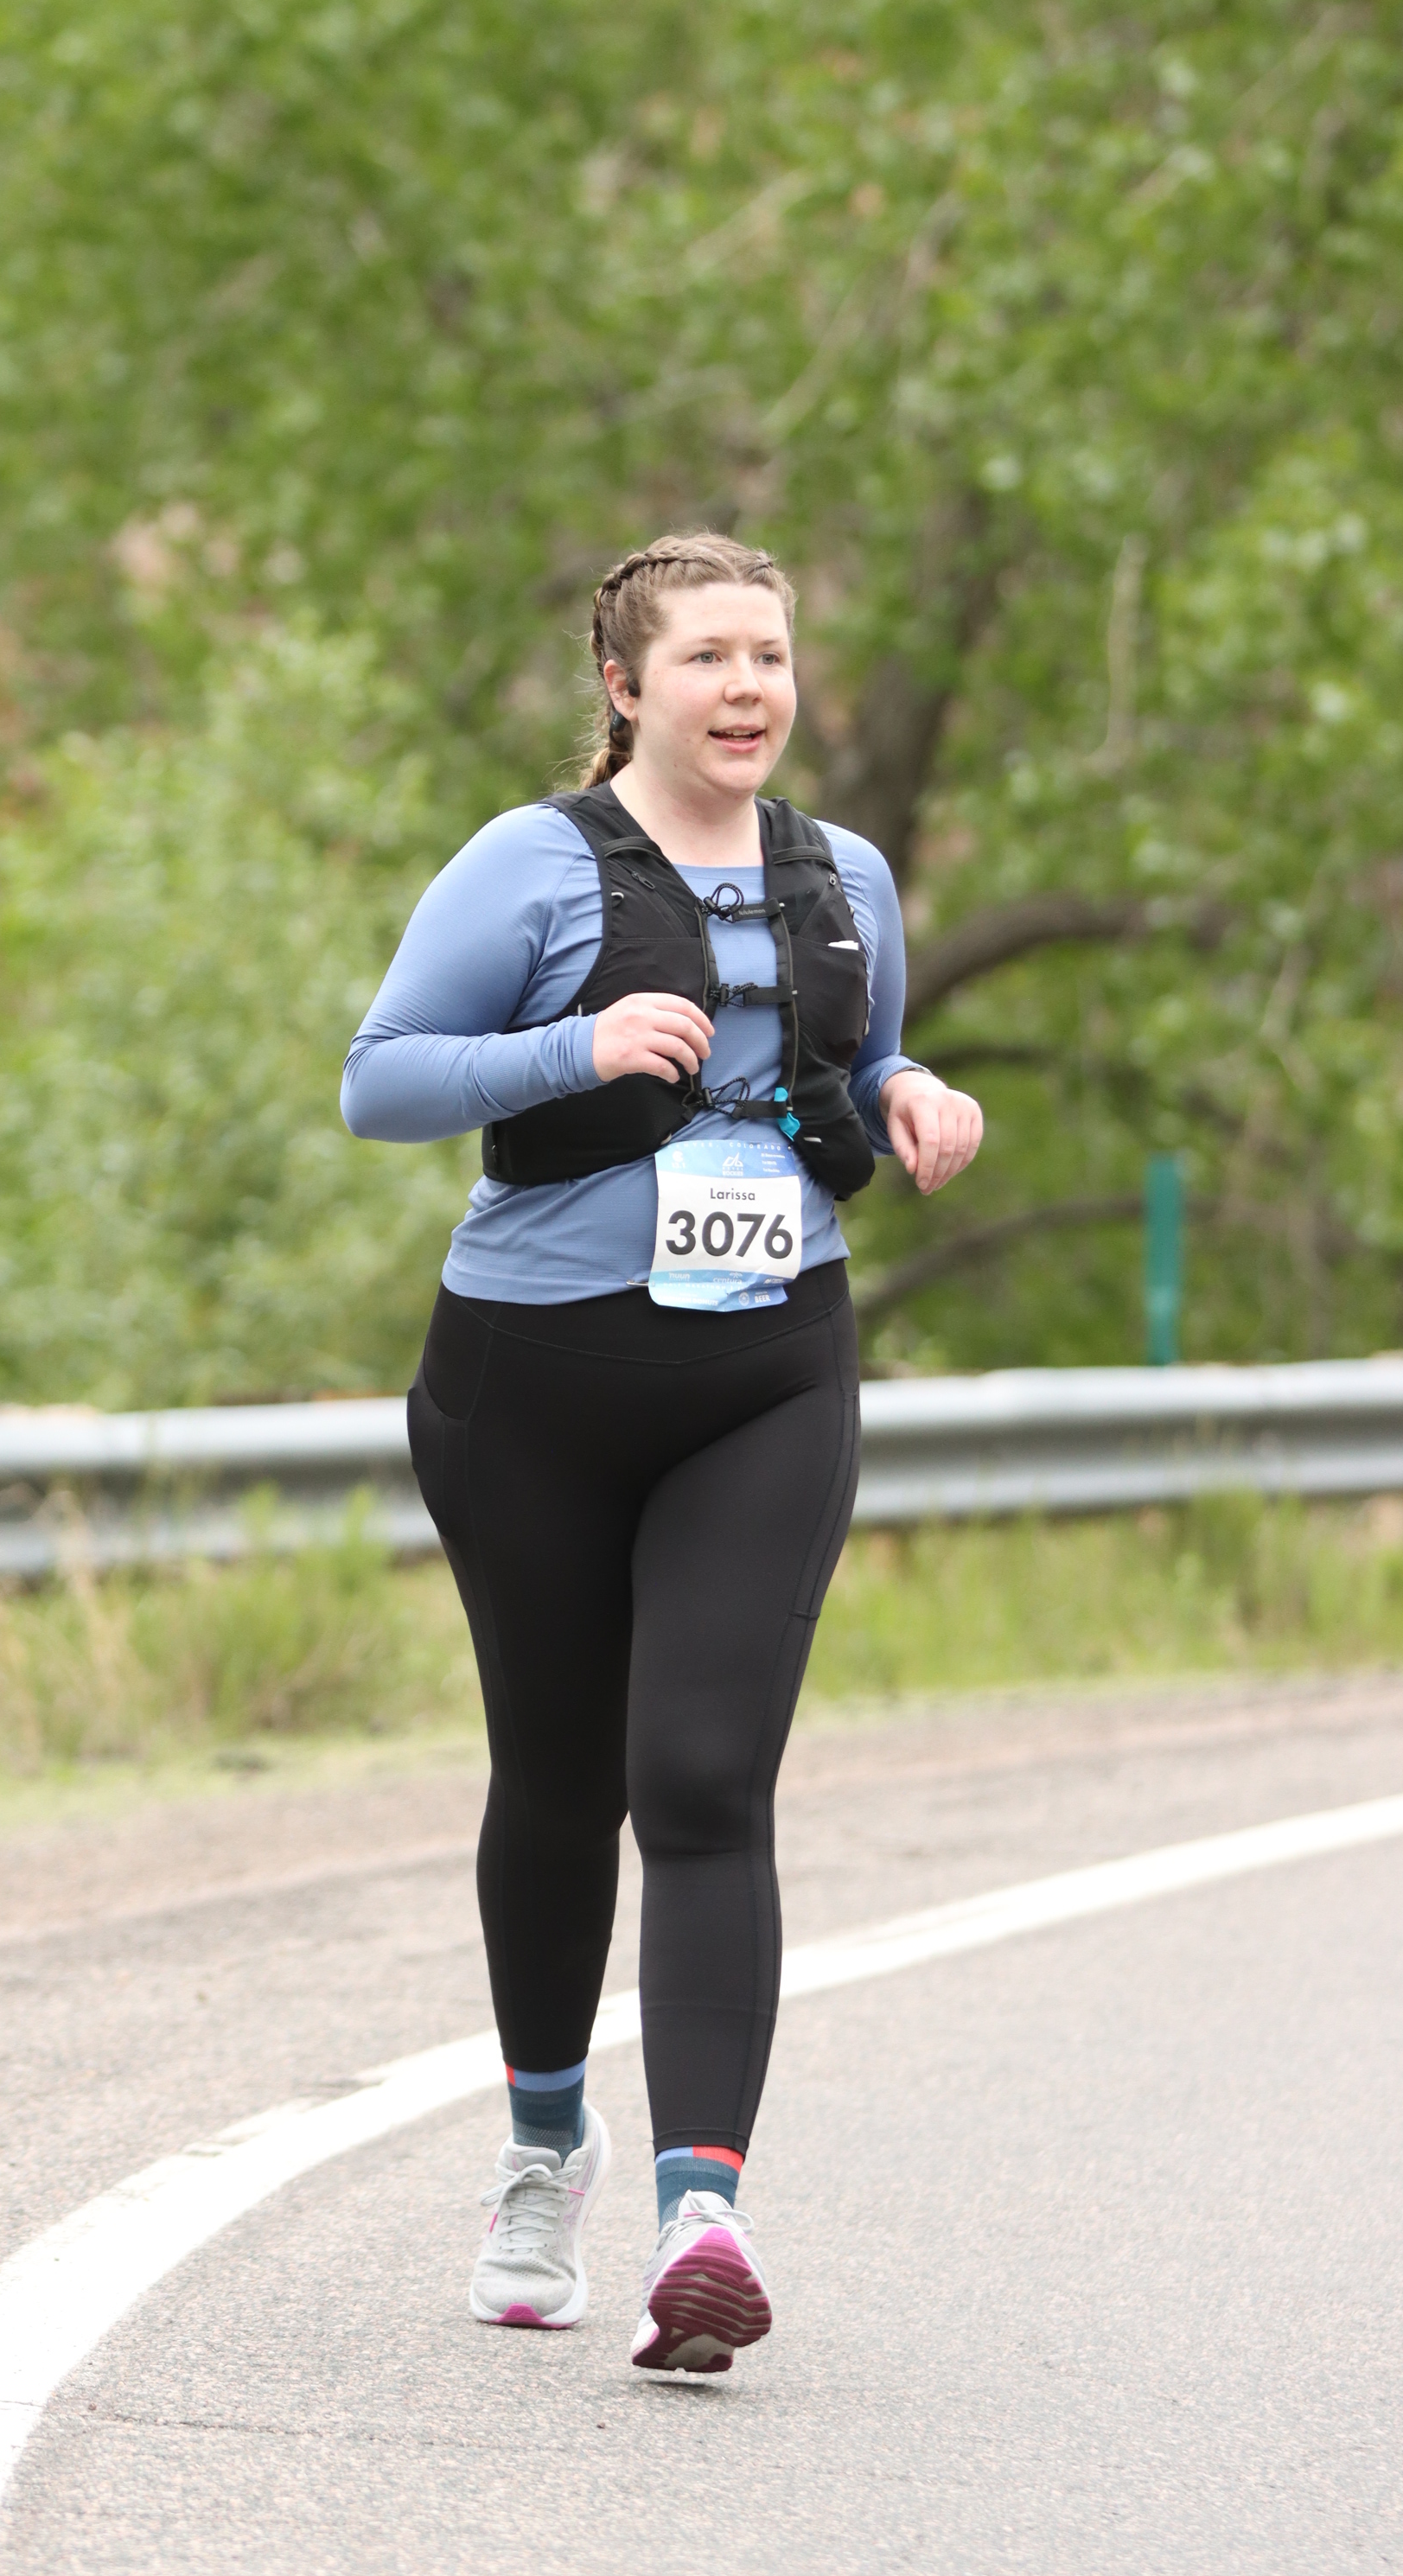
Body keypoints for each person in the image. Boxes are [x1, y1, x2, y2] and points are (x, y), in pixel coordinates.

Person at [340, 531, 983, 2374]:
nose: (746, 687)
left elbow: (856, 1062)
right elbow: (379, 1077)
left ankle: (702, 2217)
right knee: (560, 1786)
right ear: (626, 687)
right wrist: (576, 1047)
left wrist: (911, 1092)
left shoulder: (843, 873)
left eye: (768, 655)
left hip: (765, 1373)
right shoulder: (529, 864)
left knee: (701, 1775)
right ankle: (544, 2149)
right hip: (532, 1382)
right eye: (707, 656)